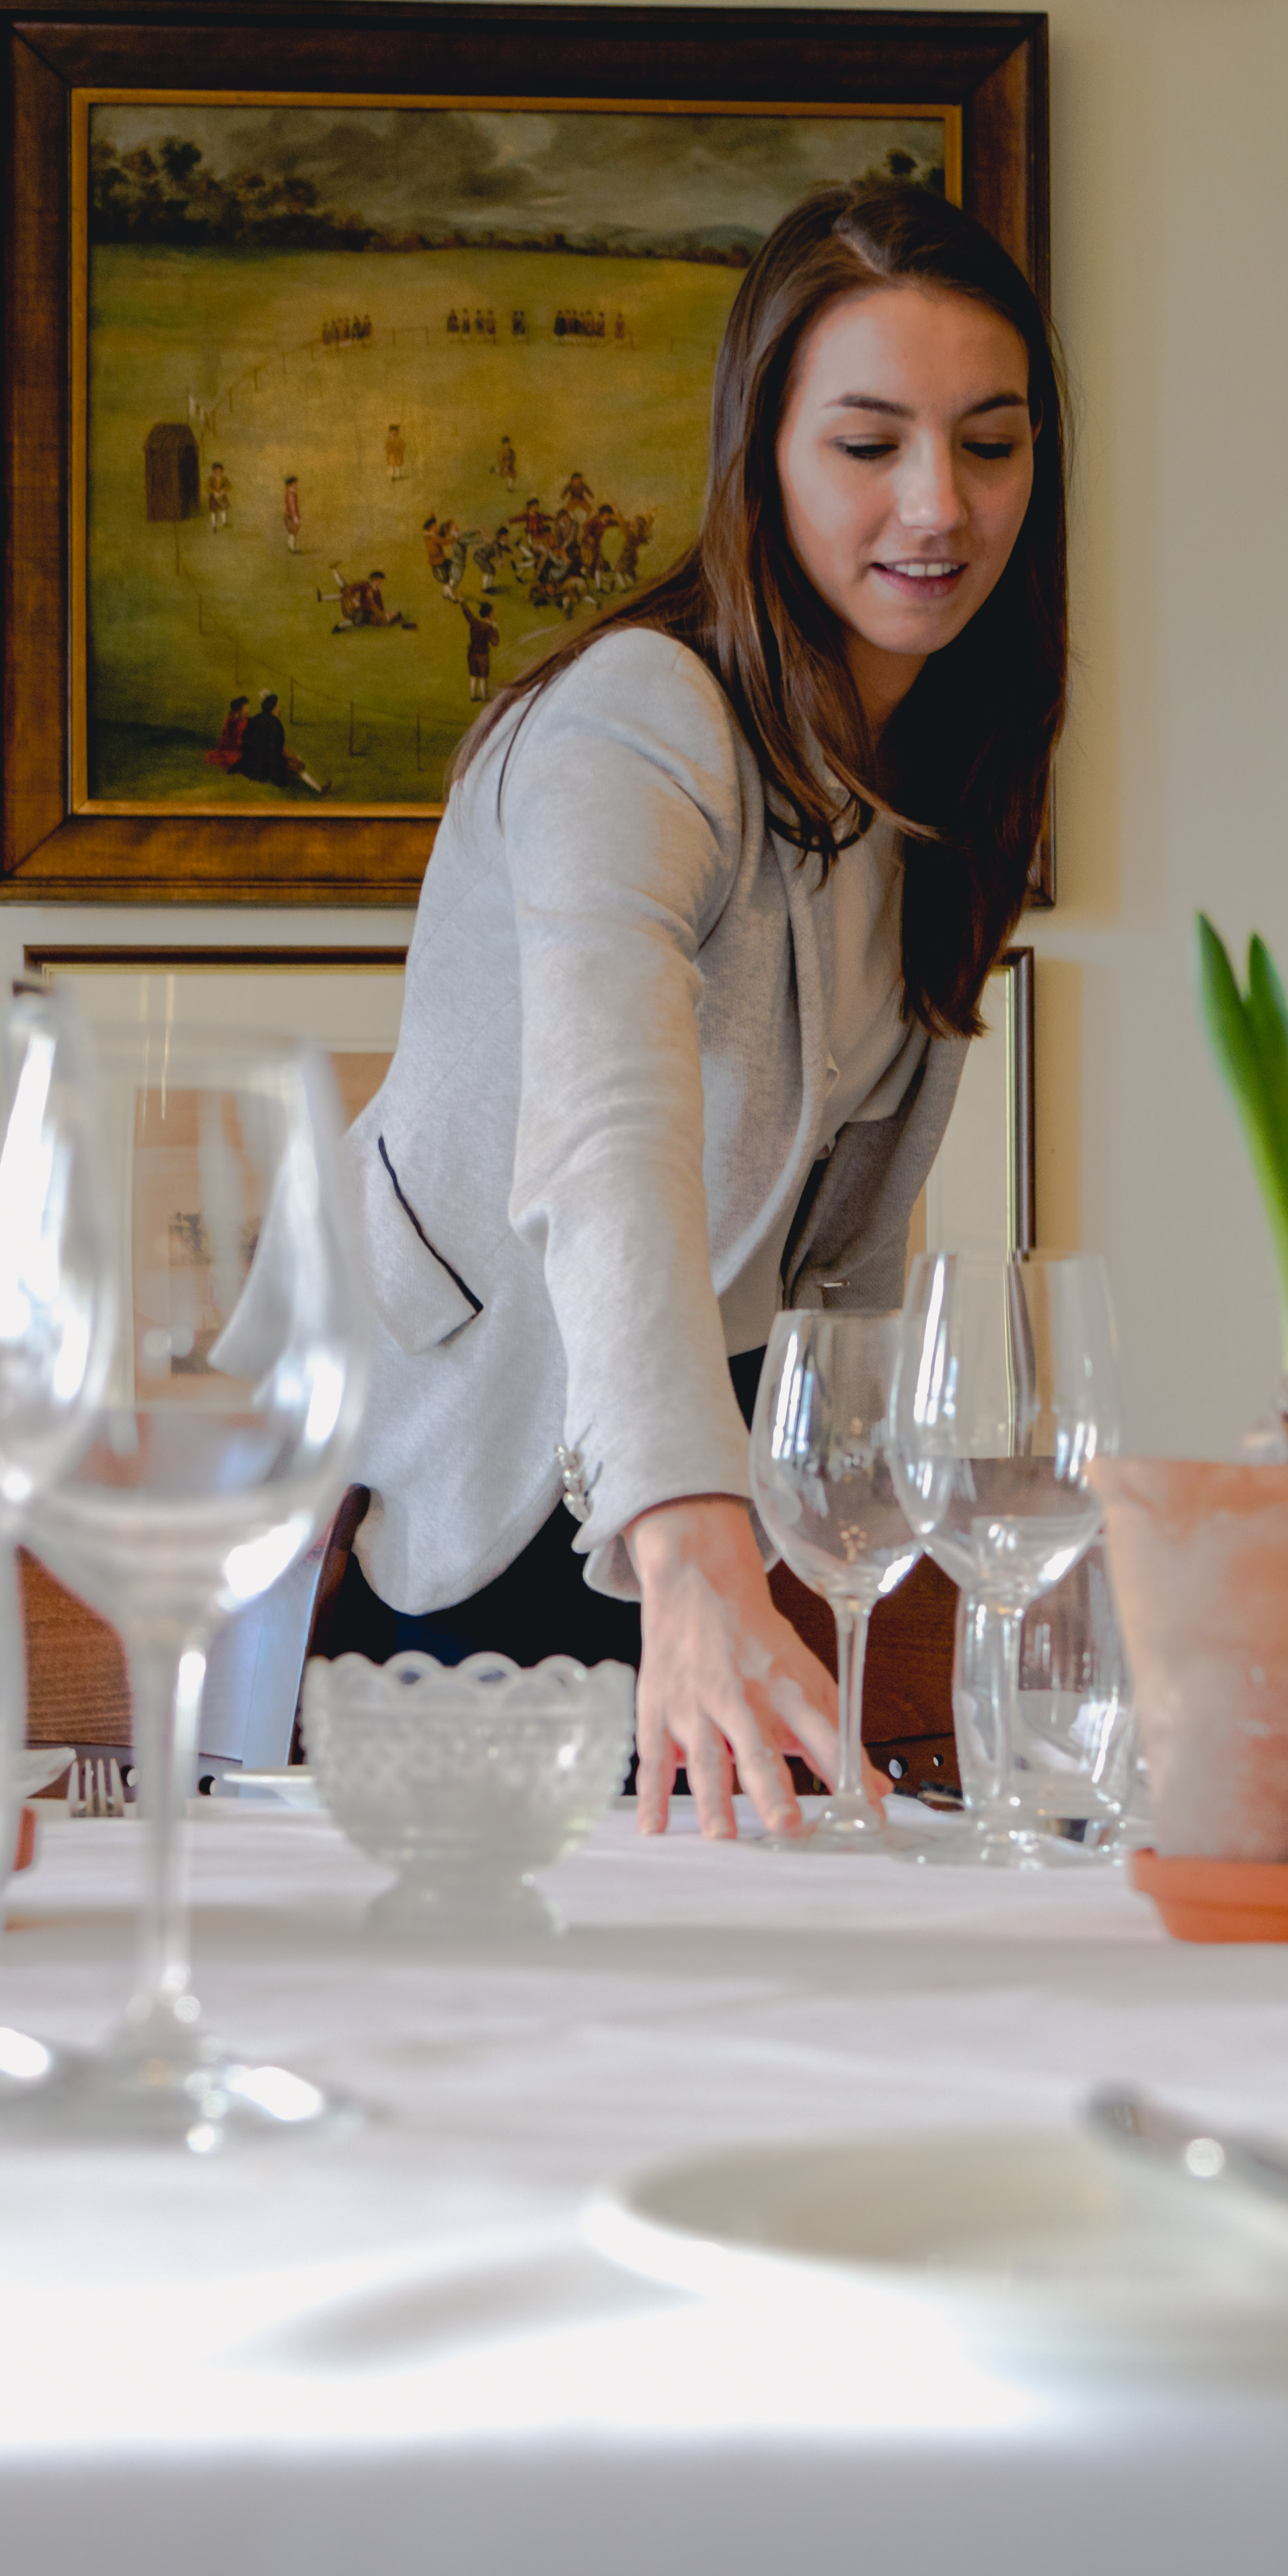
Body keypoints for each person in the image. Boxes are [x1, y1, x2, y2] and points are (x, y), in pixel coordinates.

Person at [328, 181, 1067, 1839]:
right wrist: (688, 1534)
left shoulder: (945, 776)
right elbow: (608, 1129)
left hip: (735, 1505)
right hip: (499, 1489)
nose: (938, 504)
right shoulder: (632, 717)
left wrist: (841, 1544)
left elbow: (844, 1260)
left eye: (991, 442)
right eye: (867, 443)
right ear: (763, 454)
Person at [206, 689, 328, 798]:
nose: (280, 708)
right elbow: (278, 749)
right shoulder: (275, 725)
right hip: (268, 767)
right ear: (274, 708)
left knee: (295, 762)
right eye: (278, 706)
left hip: (254, 764)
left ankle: (318, 787)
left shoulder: (256, 719)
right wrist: (291, 759)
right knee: (298, 764)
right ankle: (318, 788)